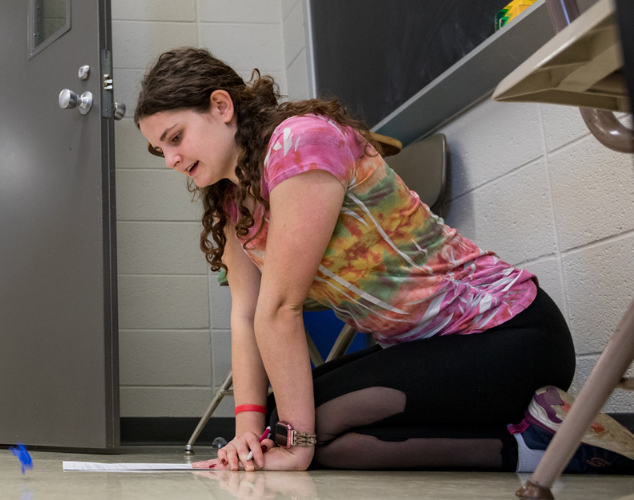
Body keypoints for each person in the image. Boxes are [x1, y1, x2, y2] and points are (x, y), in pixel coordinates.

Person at [134, 47, 634, 473]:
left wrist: (295, 442)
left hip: (508, 334)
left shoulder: (298, 143)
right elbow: (245, 315)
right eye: (160, 150)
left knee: (307, 431)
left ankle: (560, 446)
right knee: (281, 424)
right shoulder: (232, 202)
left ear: (221, 106)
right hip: (425, 351)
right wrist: (246, 433)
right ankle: (531, 440)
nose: (172, 160)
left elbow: (279, 307)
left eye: (175, 137)